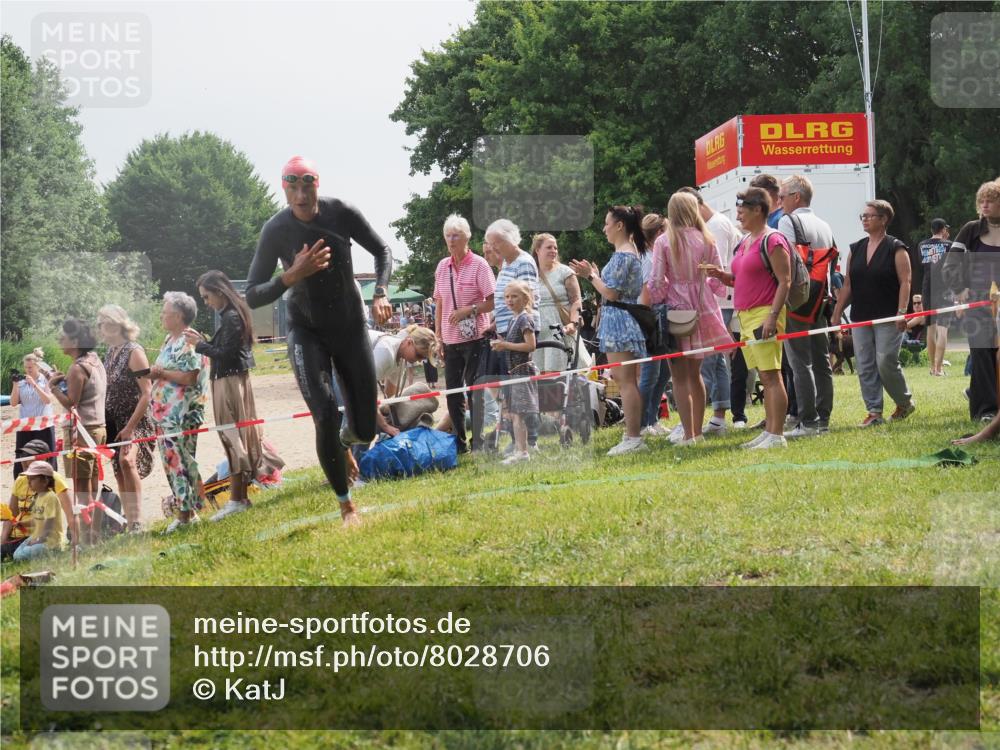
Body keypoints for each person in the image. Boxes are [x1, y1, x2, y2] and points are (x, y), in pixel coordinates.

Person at [245, 156, 393, 526]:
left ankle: (344, 441)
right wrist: (290, 276)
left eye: (306, 186)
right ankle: (346, 506)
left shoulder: (341, 212)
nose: (300, 195)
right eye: (292, 187)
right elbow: (252, 294)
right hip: (306, 330)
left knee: (364, 428)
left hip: (350, 326)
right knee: (325, 413)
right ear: (284, 190)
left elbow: (382, 250)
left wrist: (381, 292)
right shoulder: (275, 229)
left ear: (317, 185)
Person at [706, 188, 792, 449]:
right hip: (745, 317)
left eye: (742, 209)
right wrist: (722, 276)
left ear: (758, 210)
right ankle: (770, 431)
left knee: (771, 375)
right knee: (765, 377)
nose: (738, 214)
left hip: (764, 314)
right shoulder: (745, 241)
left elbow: (785, 281)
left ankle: (776, 434)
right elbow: (740, 279)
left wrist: (772, 317)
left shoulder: (773, 240)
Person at [649, 193, 731, 445]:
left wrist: (659, 299)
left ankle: (688, 434)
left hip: (676, 309)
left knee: (679, 376)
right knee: (696, 374)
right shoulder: (706, 238)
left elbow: (656, 281)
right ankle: (697, 432)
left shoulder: (664, 241)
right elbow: (717, 277)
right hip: (703, 306)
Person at [184, 271, 264, 523]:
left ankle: (237, 500)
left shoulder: (231, 317)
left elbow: (226, 354)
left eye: (206, 297)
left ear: (219, 291)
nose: (206, 302)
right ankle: (239, 498)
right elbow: (226, 349)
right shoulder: (232, 315)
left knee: (232, 437)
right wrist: (204, 342)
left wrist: (199, 345)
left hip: (228, 382)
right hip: (229, 380)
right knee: (234, 437)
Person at [570, 205, 649, 455]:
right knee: (625, 380)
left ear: (619, 226)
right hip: (623, 319)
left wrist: (590, 276)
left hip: (619, 321)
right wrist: (595, 275)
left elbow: (612, 294)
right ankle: (633, 434)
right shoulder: (628, 253)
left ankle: (633, 437)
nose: (604, 228)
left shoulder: (624, 255)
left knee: (625, 382)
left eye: (607, 223)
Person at [831, 200, 915, 427]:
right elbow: (848, 285)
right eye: (863, 216)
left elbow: (906, 282)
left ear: (884, 219)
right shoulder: (856, 248)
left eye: (870, 215)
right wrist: (837, 313)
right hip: (860, 316)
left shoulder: (896, 248)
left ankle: (904, 403)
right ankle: (874, 412)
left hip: (889, 316)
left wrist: (902, 312)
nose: (865, 219)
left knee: (885, 361)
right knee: (865, 364)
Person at [678, 188, 743, 435]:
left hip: (716, 302)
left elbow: (717, 269)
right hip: (716, 300)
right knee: (715, 363)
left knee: (707, 363)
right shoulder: (712, 226)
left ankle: (701, 419)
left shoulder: (715, 227)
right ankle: (717, 417)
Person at [776, 174, 837, 438]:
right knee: (822, 361)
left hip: (797, 300)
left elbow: (784, 262)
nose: (779, 201)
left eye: (782, 196)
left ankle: (808, 421)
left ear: (796, 196)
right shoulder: (824, 225)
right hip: (821, 298)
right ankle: (823, 419)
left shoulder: (787, 221)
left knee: (800, 362)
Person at [433, 214, 496, 453]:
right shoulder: (442, 266)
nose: (451, 240)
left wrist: (468, 310)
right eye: (448, 235)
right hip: (450, 340)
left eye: (456, 235)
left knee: (474, 390)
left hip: (475, 338)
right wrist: (438, 336)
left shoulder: (479, 265)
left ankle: (477, 441)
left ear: (466, 237)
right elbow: (439, 303)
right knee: (452, 393)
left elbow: (493, 301)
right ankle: (458, 441)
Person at [150, 292, 210, 533]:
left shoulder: (189, 340)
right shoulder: (169, 339)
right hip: (164, 416)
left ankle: (186, 514)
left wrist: (161, 373)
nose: (161, 316)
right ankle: (187, 512)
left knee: (181, 463)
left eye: (165, 312)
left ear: (177, 316)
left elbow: (189, 377)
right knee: (171, 463)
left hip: (181, 415)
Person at [943, 180, 1000, 423]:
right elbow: (950, 263)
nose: (985, 205)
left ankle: (978, 393)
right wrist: (959, 288)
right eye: (981, 201)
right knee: (981, 353)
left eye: (991, 201)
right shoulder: (970, 229)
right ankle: (986, 411)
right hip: (978, 304)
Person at [48, 318, 107, 544]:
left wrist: (53, 387)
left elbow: (71, 402)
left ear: (74, 342)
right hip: (97, 427)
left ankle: (85, 539)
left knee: (81, 487)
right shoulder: (94, 360)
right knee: (92, 484)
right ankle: (93, 535)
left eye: (63, 336)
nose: (59, 339)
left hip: (81, 431)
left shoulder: (76, 368)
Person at [97, 305, 154, 533]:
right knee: (119, 470)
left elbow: (147, 393)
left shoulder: (134, 351)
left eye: (102, 323)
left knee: (127, 461)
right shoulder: (110, 352)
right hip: (113, 420)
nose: (99, 328)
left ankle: (137, 520)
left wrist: (130, 427)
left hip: (136, 419)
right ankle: (130, 521)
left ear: (114, 324)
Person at [487, 219, 542, 451]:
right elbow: (505, 301)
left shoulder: (524, 262)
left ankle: (530, 441)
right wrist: (494, 323)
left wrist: (510, 337)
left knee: (522, 391)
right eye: (491, 244)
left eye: (497, 243)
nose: (493, 248)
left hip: (519, 333)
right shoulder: (505, 265)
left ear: (510, 240)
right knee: (510, 390)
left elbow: (526, 298)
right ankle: (518, 440)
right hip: (506, 331)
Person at [2, 440, 77, 558]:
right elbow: (11, 515)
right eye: (22, 455)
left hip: (39, 537)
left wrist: (76, 543)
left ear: (43, 458)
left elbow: (70, 514)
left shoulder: (54, 480)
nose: (23, 460)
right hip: (18, 537)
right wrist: (3, 541)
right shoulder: (20, 479)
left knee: (19, 556)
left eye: (28, 456)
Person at [490, 281, 538, 464]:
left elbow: (531, 345)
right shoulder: (513, 319)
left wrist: (505, 345)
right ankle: (521, 450)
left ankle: (522, 452)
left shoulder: (525, 319)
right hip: (515, 371)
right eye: (507, 297)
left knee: (519, 414)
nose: (509, 300)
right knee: (516, 413)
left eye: (514, 296)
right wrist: (501, 343)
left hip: (523, 371)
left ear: (525, 299)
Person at [532, 233, 590, 373]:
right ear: (537, 250)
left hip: (560, 332)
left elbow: (576, 301)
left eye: (555, 248)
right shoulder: (530, 274)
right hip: (537, 333)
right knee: (539, 376)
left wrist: (573, 323)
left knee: (560, 374)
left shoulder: (565, 272)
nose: (553, 251)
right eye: (549, 247)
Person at [369, 324, 439, 435]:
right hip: (342, 371)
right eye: (419, 355)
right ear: (409, 342)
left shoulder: (400, 358)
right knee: (361, 429)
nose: (419, 361)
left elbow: (390, 397)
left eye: (423, 358)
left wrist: (390, 420)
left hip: (353, 380)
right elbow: (365, 395)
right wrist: (385, 426)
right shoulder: (386, 352)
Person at [638, 213, 671, 436]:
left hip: (659, 316)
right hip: (651, 317)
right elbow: (646, 295)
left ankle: (652, 418)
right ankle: (641, 423)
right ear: (659, 233)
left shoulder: (654, 256)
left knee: (664, 372)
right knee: (651, 373)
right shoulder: (647, 259)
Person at [10, 350, 56, 479]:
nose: (27, 370)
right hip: (25, 425)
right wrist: (15, 384)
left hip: (43, 425)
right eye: (25, 367)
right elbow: (13, 403)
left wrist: (34, 385)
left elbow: (48, 400)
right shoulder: (21, 382)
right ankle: (22, 481)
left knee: (46, 454)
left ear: (37, 366)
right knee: (22, 455)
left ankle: (49, 480)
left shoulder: (46, 379)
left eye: (30, 367)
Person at [11, 461, 68, 562]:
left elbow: (49, 523)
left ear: (45, 481)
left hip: (49, 541)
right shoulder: (37, 497)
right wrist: (22, 523)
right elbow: (36, 520)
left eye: (32, 479)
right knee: (16, 553)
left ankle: (54, 551)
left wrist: (39, 540)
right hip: (38, 536)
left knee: (19, 556)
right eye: (28, 479)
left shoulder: (50, 497)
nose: (29, 482)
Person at [917, 218, 953, 376]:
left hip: (928, 288)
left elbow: (922, 264)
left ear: (932, 229)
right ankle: (940, 368)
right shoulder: (950, 245)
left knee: (930, 329)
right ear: (943, 229)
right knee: (943, 329)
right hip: (945, 288)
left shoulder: (921, 245)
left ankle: (932, 367)